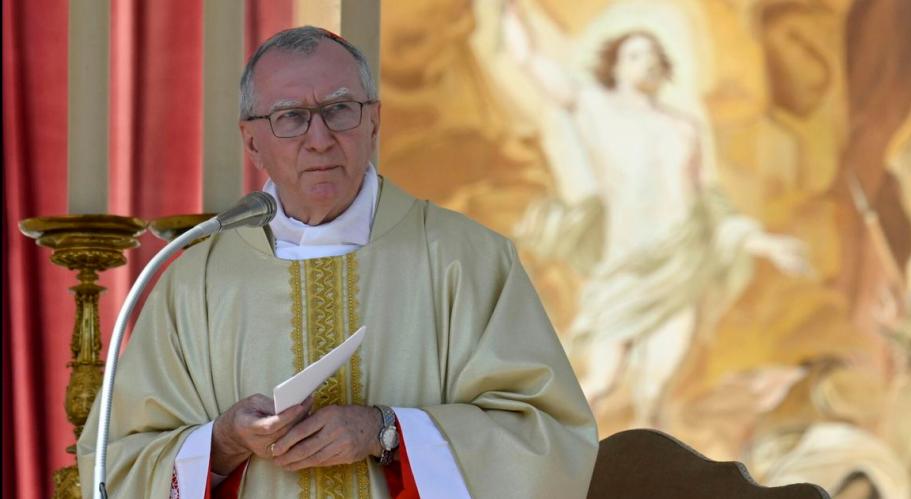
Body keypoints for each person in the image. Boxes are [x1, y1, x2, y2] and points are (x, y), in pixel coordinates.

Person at [76, 26, 598, 499]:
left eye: (340, 109)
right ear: (252, 141)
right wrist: (224, 442)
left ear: (374, 121)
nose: (320, 139)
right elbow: (115, 463)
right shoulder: (196, 283)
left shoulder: (468, 260)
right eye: (291, 117)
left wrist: (386, 432)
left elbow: (550, 441)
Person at [500, 3, 810, 427]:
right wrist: (507, 9)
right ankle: (552, 459)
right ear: (615, 67)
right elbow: (529, 61)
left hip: (679, 268)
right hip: (625, 269)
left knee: (655, 387)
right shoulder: (594, 108)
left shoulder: (684, 129)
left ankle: (647, 465)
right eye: (634, 54)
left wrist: (764, 243)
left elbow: (708, 205)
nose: (646, 62)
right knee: (600, 380)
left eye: (652, 55)